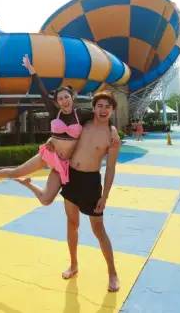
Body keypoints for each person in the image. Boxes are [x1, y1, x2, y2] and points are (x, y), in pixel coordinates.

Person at [0, 55, 120, 207]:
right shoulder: (54, 112)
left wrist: (113, 129)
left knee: (46, 200)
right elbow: (42, 92)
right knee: (16, 172)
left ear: (72, 97)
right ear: (57, 102)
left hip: (64, 163)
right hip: (49, 154)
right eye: (60, 99)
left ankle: (28, 184)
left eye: (66, 97)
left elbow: (101, 117)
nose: (64, 101)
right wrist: (32, 71)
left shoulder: (81, 114)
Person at [58, 91, 120, 292]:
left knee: (98, 230)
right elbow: (63, 130)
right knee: (72, 223)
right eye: (99, 106)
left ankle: (112, 273)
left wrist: (105, 196)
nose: (103, 110)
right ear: (93, 108)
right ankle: (74, 264)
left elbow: (110, 168)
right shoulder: (83, 124)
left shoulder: (112, 136)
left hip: (91, 182)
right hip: (71, 178)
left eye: (107, 107)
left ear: (112, 110)